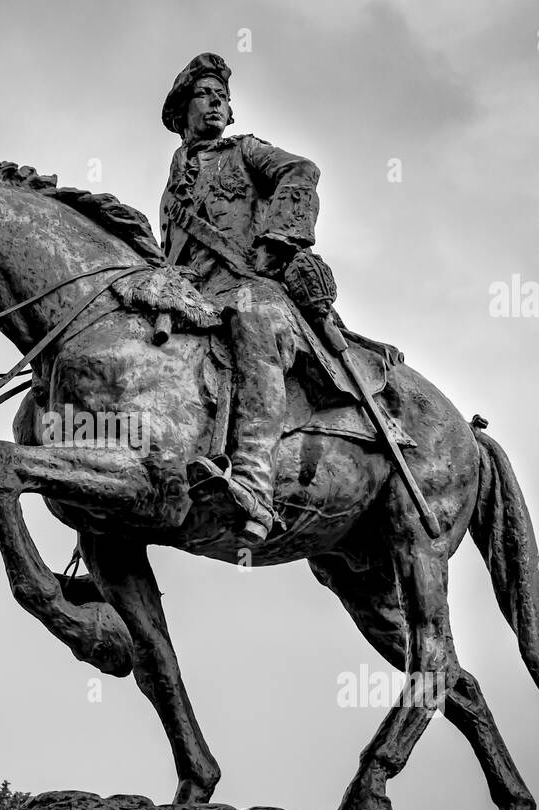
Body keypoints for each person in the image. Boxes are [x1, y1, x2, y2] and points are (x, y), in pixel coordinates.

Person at [159, 52, 320, 542]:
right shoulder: (170, 194)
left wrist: (278, 241)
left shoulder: (246, 151)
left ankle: (253, 477)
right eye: (204, 96)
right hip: (196, 302)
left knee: (251, 318)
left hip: (249, 287)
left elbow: (302, 171)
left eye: (222, 98)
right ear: (182, 112)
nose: (216, 104)